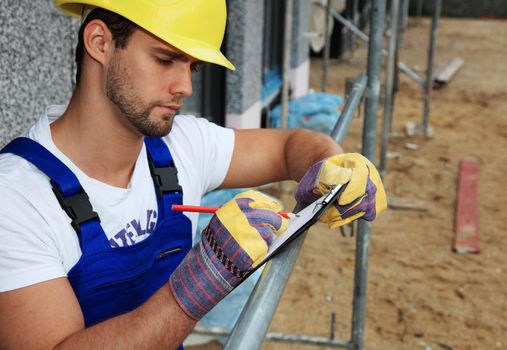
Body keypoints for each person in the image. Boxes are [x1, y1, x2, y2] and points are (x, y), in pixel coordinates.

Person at [0, 0, 386, 349]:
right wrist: (195, 287)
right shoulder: (16, 198)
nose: (184, 86)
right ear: (100, 42)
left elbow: (289, 147)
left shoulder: (179, 146)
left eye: (192, 66)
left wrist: (331, 165)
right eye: (165, 60)